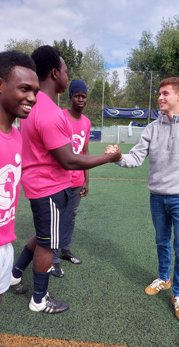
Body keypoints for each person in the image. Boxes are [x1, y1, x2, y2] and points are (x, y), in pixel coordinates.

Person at [10, 45, 121, 314]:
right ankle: (39, 299)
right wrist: (109, 158)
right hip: (48, 188)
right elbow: (69, 159)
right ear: (54, 73)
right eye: (66, 70)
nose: (67, 76)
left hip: (40, 186)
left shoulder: (35, 107)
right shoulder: (47, 111)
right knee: (49, 244)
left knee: (41, 237)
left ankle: (14, 274)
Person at [106, 77, 179, 323]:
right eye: (159, 94)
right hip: (157, 197)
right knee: (162, 242)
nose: (160, 98)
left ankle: (178, 294)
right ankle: (164, 279)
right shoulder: (152, 128)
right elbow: (135, 157)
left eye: (165, 93)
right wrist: (118, 157)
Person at [0, 51, 39, 303]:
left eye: (35, 91)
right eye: (24, 88)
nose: (32, 98)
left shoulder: (16, 136)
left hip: (5, 244)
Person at [51, 79, 91, 277]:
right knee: (58, 218)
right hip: (60, 179)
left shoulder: (87, 122)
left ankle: (65, 249)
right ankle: (54, 259)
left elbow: (84, 151)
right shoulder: (61, 117)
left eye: (83, 96)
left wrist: (86, 178)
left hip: (77, 179)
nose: (81, 99)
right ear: (70, 97)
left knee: (71, 216)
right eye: (77, 96)